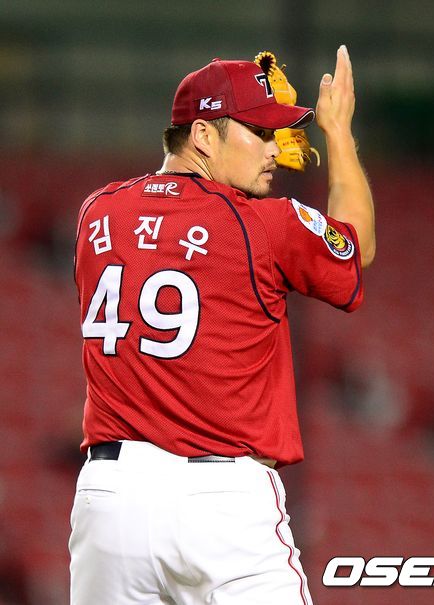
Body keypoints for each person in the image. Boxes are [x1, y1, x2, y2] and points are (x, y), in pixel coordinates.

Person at [70, 45, 375, 605]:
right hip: (221, 503)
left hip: (108, 500)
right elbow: (356, 247)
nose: (275, 149)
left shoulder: (98, 213)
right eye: (259, 132)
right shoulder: (265, 224)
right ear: (204, 136)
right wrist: (337, 133)